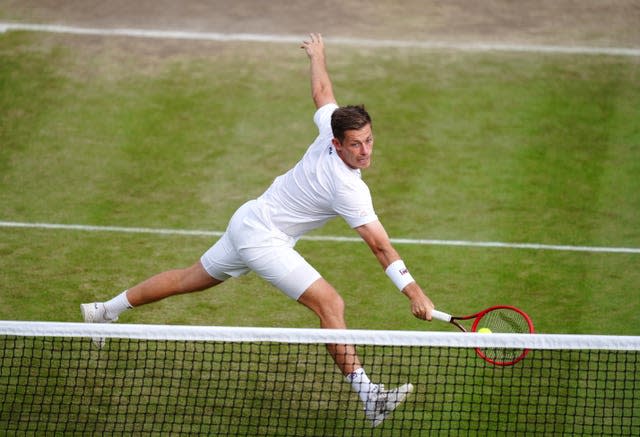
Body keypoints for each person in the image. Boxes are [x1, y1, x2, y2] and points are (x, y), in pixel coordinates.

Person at [81, 33, 435, 427]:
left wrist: (317, 55)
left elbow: (322, 92)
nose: (365, 151)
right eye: (356, 145)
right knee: (330, 305)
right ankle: (370, 396)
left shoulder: (328, 130)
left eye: (369, 140)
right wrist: (414, 293)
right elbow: (380, 247)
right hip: (263, 239)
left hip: (248, 220)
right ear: (336, 144)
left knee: (187, 279)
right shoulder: (348, 187)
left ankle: (103, 310)